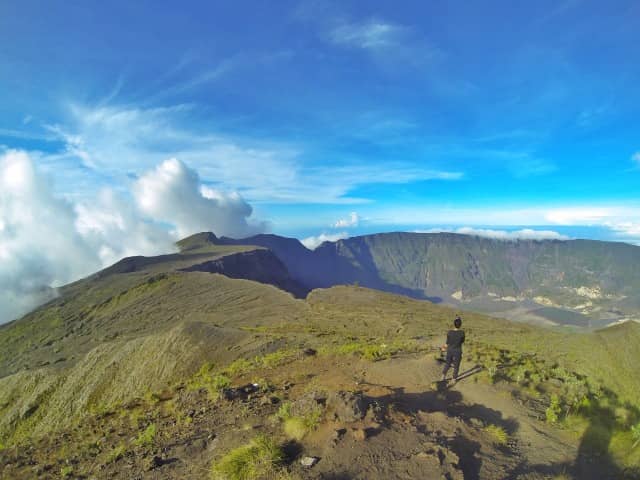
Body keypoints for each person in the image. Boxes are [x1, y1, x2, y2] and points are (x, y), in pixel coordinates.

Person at [441, 315, 465, 382]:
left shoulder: (449, 332)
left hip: (450, 350)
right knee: (456, 366)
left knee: (447, 363)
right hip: (458, 351)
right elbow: (462, 341)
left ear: (454, 324)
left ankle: (443, 376)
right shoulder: (462, 333)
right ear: (460, 325)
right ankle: (454, 379)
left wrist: (443, 348)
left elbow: (447, 343)